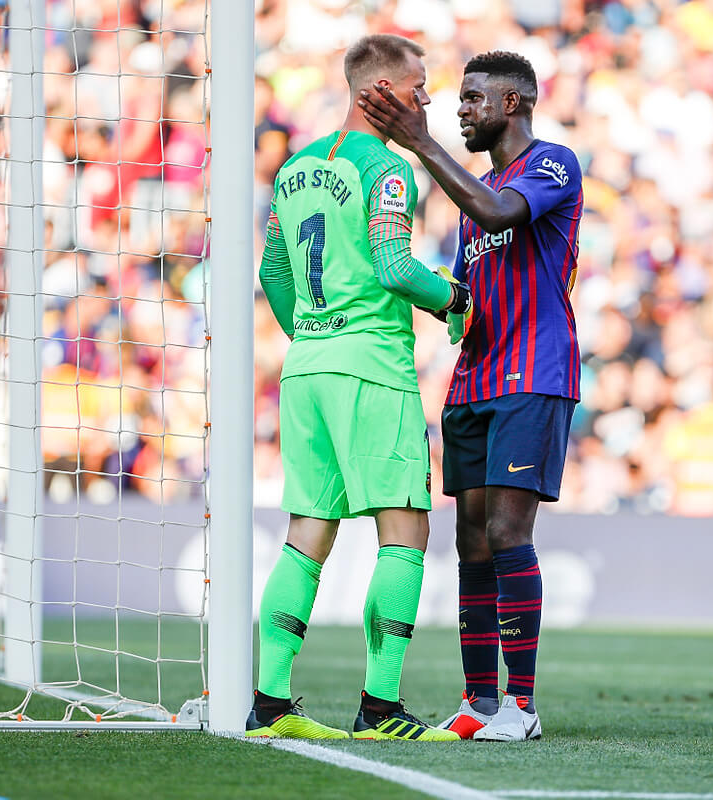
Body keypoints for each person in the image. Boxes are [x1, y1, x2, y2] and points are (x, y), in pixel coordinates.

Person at [248, 33, 469, 742]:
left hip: (307, 368)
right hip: (371, 368)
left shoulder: (294, 168)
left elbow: (275, 276)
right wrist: (458, 302)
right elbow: (397, 267)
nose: (427, 97)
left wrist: (314, 330)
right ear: (380, 93)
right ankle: (379, 710)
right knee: (404, 531)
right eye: (418, 85)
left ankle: (269, 703)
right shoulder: (391, 171)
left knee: (307, 534)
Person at [359, 50, 583, 741]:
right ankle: (480, 701)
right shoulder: (467, 201)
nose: (460, 110)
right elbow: (464, 296)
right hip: (473, 381)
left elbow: (498, 215)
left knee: (509, 534)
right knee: (472, 544)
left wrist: (417, 140)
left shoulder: (551, 165)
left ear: (514, 104)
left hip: (534, 375)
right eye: (457, 99)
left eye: (474, 98)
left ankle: (522, 705)